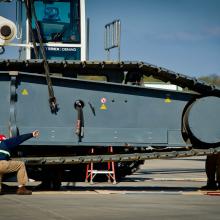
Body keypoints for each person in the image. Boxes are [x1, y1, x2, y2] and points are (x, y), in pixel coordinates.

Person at [0, 130, 40, 195]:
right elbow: (19, 139)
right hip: (1, 163)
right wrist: (31, 134)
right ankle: (22, 189)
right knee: (20, 164)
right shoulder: (5, 143)